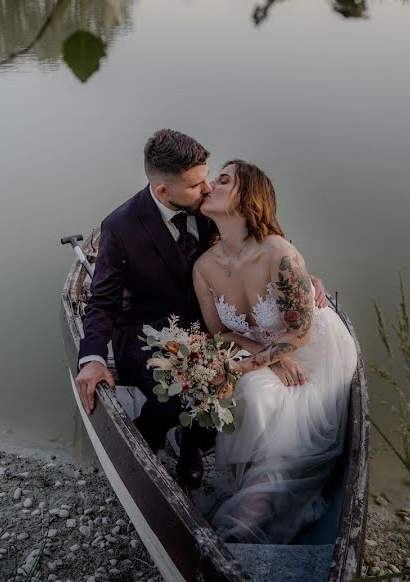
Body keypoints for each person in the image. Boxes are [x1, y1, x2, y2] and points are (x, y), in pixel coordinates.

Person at [75, 130, 328, 489]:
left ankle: (193, 443)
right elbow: (102, 302)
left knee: (211, 384)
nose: (208, 188)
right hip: (144, 330)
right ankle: (146, 439)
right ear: (164, 191)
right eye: (196, 184)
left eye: (210, 177)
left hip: (213, 328)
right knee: (177, 390)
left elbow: (254, 242)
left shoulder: (209, 210)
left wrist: (301, 276)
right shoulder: (120, 227)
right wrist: (93, 359)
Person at [192, 159, 358, 543]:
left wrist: (257, 363)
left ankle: (251, 515)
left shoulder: (276, 252)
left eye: (223, 180)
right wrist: (263, 357)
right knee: (252, 390)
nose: (209, 185)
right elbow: (218, 331)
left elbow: (301, 332)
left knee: (264, 397)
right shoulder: (203, 266)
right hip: (266, 349)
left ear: (246, 197)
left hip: (316, 351)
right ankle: (255, 500)